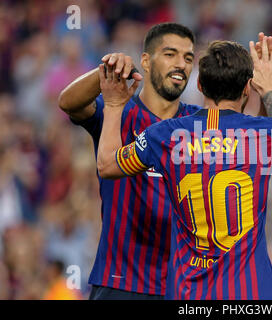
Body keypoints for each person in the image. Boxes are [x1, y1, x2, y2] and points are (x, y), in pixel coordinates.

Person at [96, 36, 272, 299]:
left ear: (201, 85)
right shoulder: (267, 134)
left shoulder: (165, 136)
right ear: (247, 89)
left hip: (189, 295)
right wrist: (271, 91)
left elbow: (107, 165)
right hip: (251, 295)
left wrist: (113, 106)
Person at [58, 22, 201, 300]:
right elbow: (68, 102)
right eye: (170, 54)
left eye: (188, 58)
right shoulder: (118, 109)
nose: (181, 64)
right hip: (120, 283)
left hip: (181, 286)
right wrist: (106, 69)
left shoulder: (200, 123)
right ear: (145, 61)